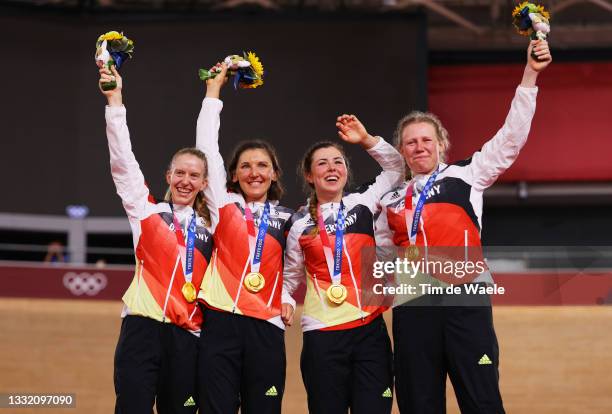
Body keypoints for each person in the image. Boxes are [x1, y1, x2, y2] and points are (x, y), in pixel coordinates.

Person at [375, 40, 552, 413]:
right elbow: (380, 254)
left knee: (481, 399)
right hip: (413, 307)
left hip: (464, 301)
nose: (419, 147)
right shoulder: (390, 199)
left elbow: (510, 138)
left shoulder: (468, 174)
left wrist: (530, 76)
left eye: (426, 139)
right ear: (402, 151)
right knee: (418, 402)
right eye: (410, 142)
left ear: (441, 144)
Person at [99, 65, 214, 414]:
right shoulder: (145, 213)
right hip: (141, 331)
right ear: (168, 175)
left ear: (205, 184)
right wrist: (115, 100)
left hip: (188, 337)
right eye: (179, 172)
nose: (185, 180)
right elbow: (123, 163)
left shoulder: (215, 229)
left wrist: (213, 96)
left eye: (194, 175)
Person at [282, 115, 404, 413]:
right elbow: (291, 275)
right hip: (322, 335)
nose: (332, 167)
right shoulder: (299, 223)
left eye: (338, 161)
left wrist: (366, 140)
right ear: (310, 176)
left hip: (369, 330)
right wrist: (285, 297)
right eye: (322, 163)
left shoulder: (363, 201)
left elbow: (397, 167)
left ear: (346, 171)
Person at [195, 63, 295, 414]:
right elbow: (207, 148)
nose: (255, 172)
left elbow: (293, 268)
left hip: (266, 327)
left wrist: (287, 298)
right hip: (220, 320)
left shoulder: (289, 219)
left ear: (274, 173)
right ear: (233, 175)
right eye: (246, 166)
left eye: (262, 165)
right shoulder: (224, 204)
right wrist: (213, 93)